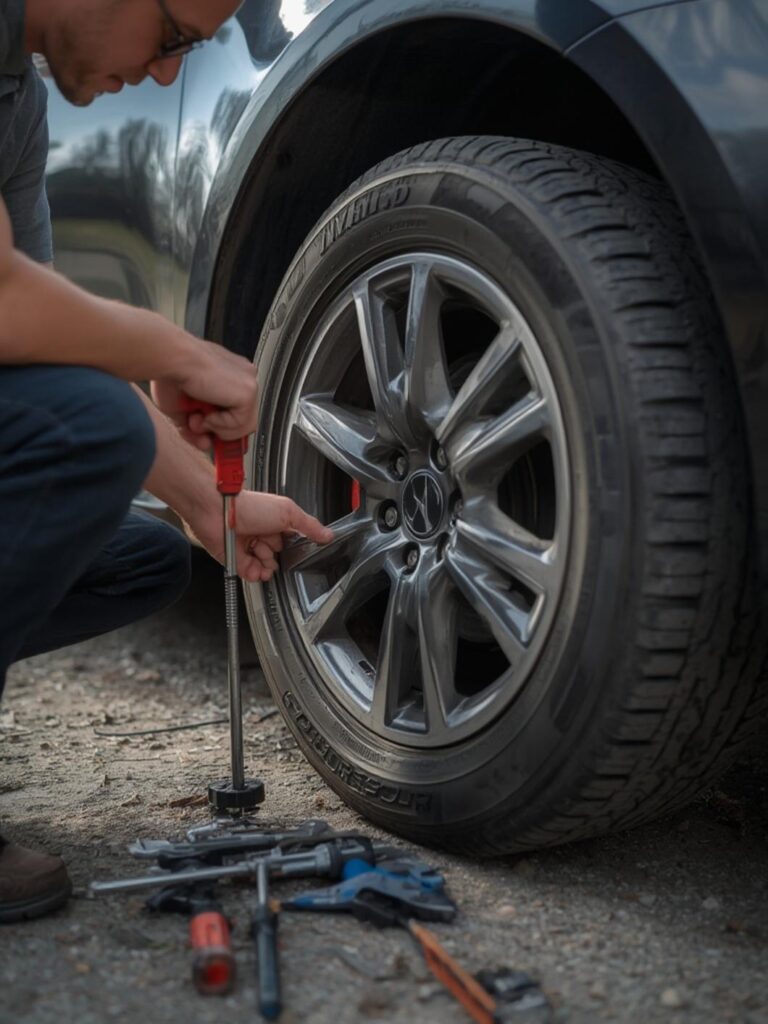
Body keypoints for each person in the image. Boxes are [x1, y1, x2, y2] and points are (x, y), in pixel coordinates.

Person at [0, 0, 333, 923]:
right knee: (96, 429)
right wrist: (175, 353)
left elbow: (41, 346)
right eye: (177, 35)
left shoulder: (12, 99)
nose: (165, 74)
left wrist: (208, 512)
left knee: (142, 559)